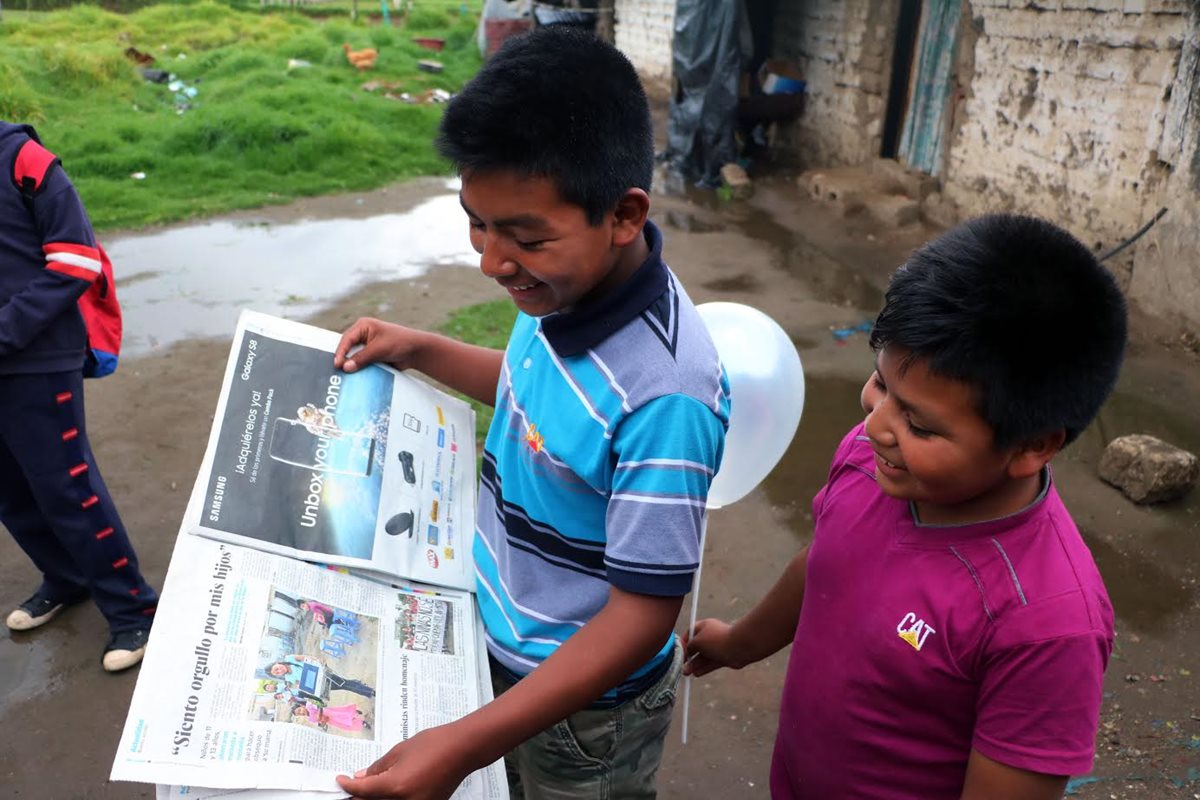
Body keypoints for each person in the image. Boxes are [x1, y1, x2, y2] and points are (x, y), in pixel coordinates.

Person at [332, 27, 730, 800]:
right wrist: (421, 348)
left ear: (622, 214)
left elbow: (641, 619)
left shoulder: (666, 396)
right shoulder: (563, 291)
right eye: (476, 222)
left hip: (585, 715)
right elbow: (531, 395)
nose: (491, 261)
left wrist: (464, 745)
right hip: (499, 642)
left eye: (524, 237)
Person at [685, 214, 1128, 799]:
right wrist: (739, 643)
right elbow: (828, 560)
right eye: (880, 381)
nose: (875, 425)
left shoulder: (1045, 623)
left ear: (1031, 446)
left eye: (918, 423)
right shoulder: (876, 458)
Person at [0, 121, 157, 672]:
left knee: (67, 489)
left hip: (38, 358)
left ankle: (133, 609)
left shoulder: (25, 159)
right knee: (11, 492)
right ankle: (65, 579)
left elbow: (75, 259)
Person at [267, 655, 377, 700]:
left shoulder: (290, 658)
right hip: (319, 685)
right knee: (344, 684)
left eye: (276, 668)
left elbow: (306, 657)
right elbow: (300, 684)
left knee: (344, 684)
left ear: (277, 663)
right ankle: (361, 686)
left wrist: (319, 660)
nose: (279, 671)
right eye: (276, 673)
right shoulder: (288, 679)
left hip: (323, 673)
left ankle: (369, 692)